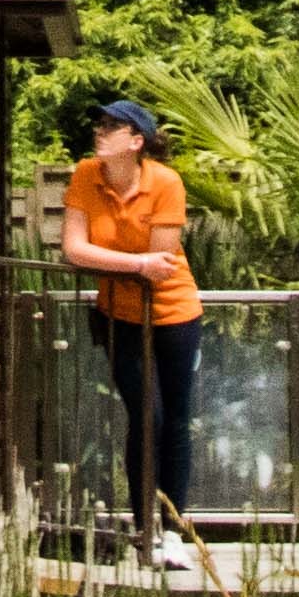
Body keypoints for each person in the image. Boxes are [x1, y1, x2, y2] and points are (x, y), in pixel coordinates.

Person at [58, 95, 205, 566]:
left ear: (136, 141)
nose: (99, 132)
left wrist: (135, 264)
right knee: (148, 416)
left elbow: (162, 265)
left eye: (110, 127)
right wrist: (135, 263)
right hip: (118, 316)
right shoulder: (86, 175)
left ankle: (175, 529)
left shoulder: (166, 182)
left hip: (174, 313)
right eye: (99, 124)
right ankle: (146, 527)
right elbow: (73, 250)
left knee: (176, 419)